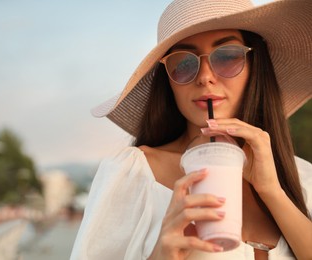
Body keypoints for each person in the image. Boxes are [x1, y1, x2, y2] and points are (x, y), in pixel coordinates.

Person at [70, 0, 312, 259]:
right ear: (169, 80)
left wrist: (271, 190)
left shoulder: (302, 176)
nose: (205, 76)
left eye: (228, 56)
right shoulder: (135, 173)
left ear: (255, 66)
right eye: (183, 63)